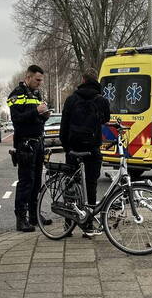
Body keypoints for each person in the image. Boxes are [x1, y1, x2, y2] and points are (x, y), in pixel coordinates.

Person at [59, 69, 111, 237]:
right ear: (95, 81)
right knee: (91, 186)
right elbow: (105, 119)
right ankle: (88, 226)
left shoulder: (71, 99)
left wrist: (68, 148)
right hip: (92, 150)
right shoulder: (101, 100)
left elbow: (63, 128)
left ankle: (68, 225)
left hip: (73, 150)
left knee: (70, 186)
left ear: (82, 80)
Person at [7, 65, 52, 232]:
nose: (40, 83)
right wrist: (36, 110)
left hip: (38, 142)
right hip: (25, 143)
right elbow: (17, 119)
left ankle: (34, 215)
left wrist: (44, 116)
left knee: (36, 182)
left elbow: (37, 119)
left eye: (41, 80)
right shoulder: (16, 94)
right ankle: (21, 219)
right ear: (28, 77)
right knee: (26, 181)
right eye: (37, 80)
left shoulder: (36, 94)